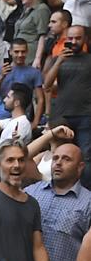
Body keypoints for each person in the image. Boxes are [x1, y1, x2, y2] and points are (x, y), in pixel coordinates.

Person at [44, 26, 91, 177]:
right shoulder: (57, 59)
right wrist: (59, 61)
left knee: (86, 156)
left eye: (78, 38)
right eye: (70, 38)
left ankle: (85, 193)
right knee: (60, 157)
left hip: (86, 114)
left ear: (85, 39)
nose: (74, 41)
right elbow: (47, 85)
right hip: (62, 115)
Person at [0, 37, 43, 128]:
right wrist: (1, 76)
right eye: (16, 52)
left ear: (27, 52)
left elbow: (40, 99)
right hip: (1, 118)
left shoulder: (34, 72)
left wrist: (35, 122)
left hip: (22, 118)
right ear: (10, 52)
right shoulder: (0, 69)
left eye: (23, 51)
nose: (20, 55)